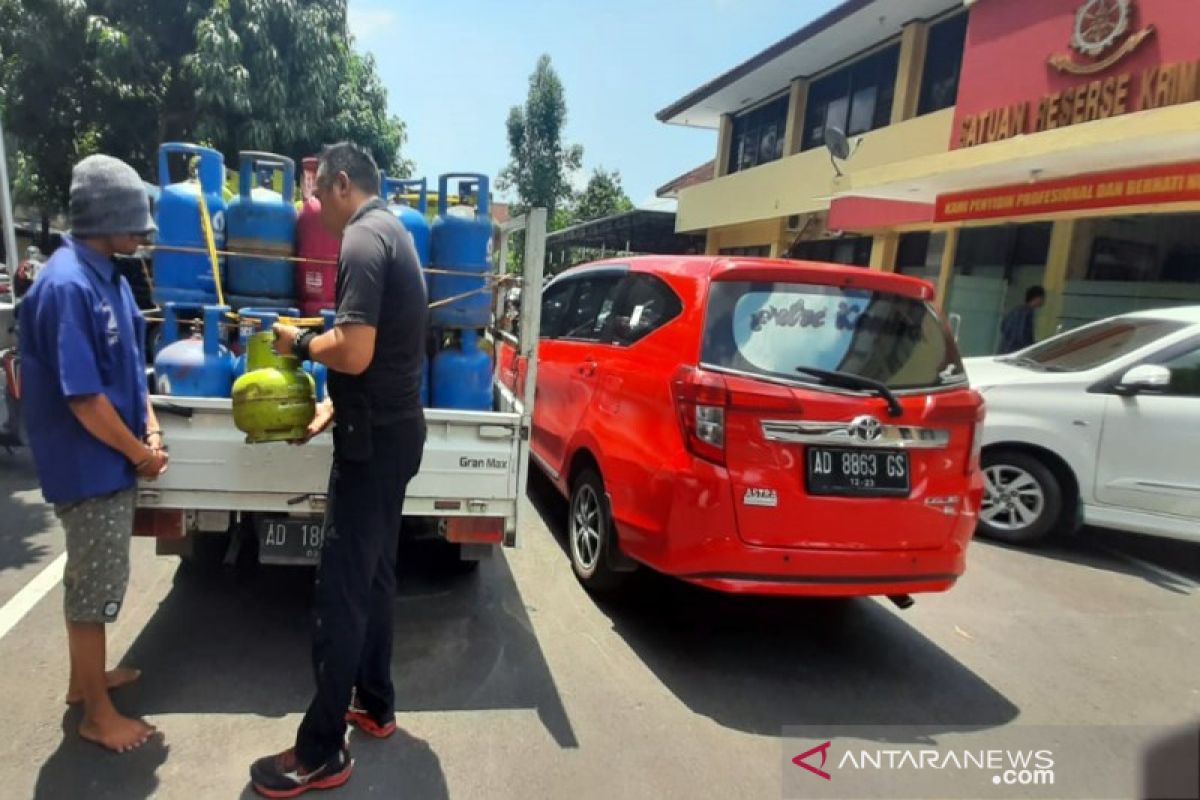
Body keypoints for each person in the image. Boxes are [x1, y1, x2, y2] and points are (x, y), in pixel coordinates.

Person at [251, 142, 428, 797]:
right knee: (377, 575)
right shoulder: (396, 233)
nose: (315, 207)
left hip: (373, 445)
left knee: (340, 592)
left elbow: (354, 349)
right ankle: (375, 704)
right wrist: (332, 405)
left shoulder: (359, 241)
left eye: (319, 194)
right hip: (395, 431)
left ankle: (320, 751)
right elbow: (381, 356)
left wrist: (299, 343)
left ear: (343, 183)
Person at [19, 154, 168, 753]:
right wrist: (138, 453)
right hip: (89, 467)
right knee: (91, 592)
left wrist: (151, 431)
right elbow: (83, 399)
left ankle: (89, 681)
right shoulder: (66, 285)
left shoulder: (108, 275)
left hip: (116, 459)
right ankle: (96, 714)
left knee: (93, 580)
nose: (143, 234)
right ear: (103, 217)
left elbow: (133, 368)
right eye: (134, 222)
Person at [998, 285, 1046, 354]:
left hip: (1005, 349)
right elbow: (1022, 335)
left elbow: (1003, 326)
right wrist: (1031, 346)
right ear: (1037, 298)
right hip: (1015, 351)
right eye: (1043, 298)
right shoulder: (1027, 312)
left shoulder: (1016, 310)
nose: (1044, 301)